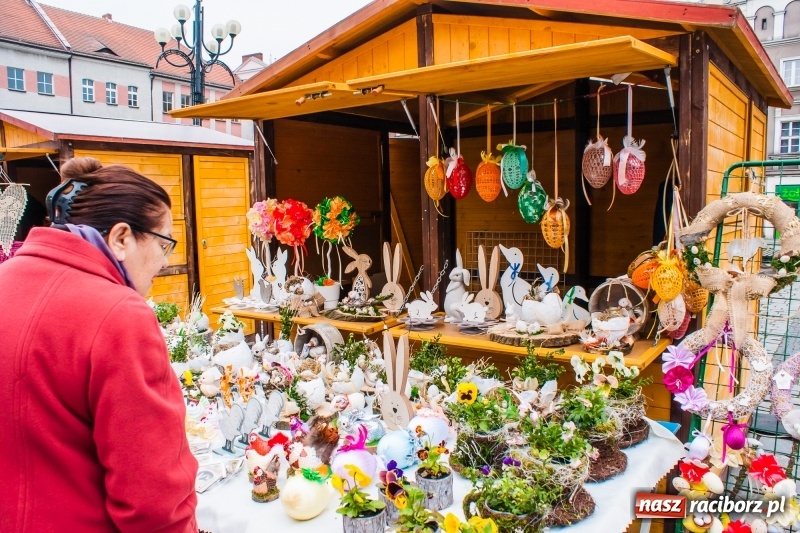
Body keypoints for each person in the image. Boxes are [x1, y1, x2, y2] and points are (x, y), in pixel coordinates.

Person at [0, 157, 198, 532]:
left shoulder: (5, 277)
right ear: (122, 238)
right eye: (164, 245)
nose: (163, 263)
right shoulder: (119, 313)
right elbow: (153, 502)